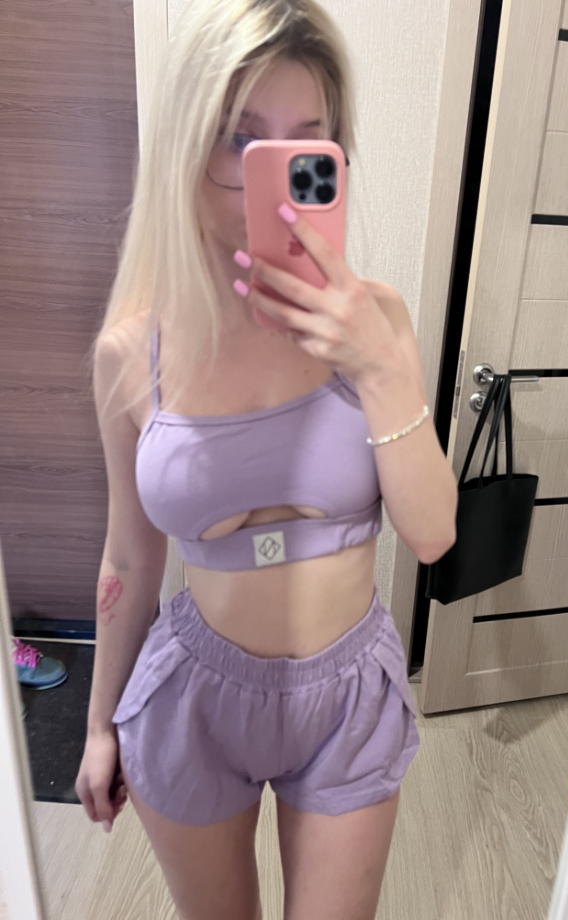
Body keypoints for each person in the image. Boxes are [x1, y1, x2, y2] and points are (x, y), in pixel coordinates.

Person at [76, 1, 457, 917]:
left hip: (349, 696)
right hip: (195, 696)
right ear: (184, 148)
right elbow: (129, 558)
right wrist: (95, 725)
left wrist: (374, 366)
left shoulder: (379, 320)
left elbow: (433, 534)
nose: (276, 173)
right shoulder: (131, 355)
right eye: (241, 140)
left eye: (305, 143)